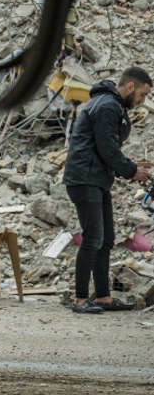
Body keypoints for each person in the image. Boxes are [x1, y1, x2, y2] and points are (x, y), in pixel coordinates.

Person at [64, 67, 151, 314]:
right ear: (131, 87)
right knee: (93, 238)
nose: (142, 101)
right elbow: (107, 149)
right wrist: (132, 170)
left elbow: (106, 147)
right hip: (85, 178)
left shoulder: (110, 104)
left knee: (106, 239)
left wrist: (132, 166)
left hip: (96, 178)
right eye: (143, 95)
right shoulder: (108, 106)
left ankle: (103, 296)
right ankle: (81, 300)